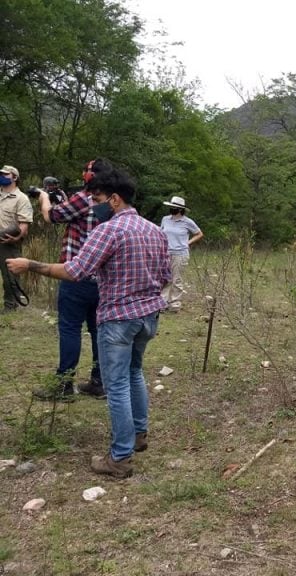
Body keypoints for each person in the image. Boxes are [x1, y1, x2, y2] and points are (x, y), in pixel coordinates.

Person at [7, 168, 171, 478]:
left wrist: (30, 265)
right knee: (134, 373)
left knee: (117, 384)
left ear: (114, 199)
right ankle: (138, 435)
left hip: (119, 319)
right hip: (148, 317)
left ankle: (120, 458)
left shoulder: (107, 230)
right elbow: (165, 276)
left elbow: (76, 271)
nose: (92, 204)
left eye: (96, 198)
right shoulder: (154, 230)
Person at [30, 158, 112, 400]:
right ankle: (99, 382)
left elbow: (52, 216)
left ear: (90, 176)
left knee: (69, 329)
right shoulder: (112, 200)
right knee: (98, 331)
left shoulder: (84, 197)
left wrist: (44, 198)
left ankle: (64, 384)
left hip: (75, 274)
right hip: (103, 279)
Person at [160, 196, 203, 312]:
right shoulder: (165, 219)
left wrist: (188, 243)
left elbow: (199, 234)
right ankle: (162, 303)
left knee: (176, 279)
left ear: (180, 209)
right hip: (166, 252)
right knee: (165, 278)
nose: (172, 209)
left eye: (174, 207)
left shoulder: (187, 222)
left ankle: (174, 304)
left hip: (180, 253)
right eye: (171, 206)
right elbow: (161, 233)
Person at [0, 165, 33, 312]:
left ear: (14, 177)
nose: (2, 176)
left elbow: (24, 226)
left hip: (8, 242)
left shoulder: (21, 199)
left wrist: (15, 239)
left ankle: (10, 306)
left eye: (5, 174)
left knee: (10, 277)